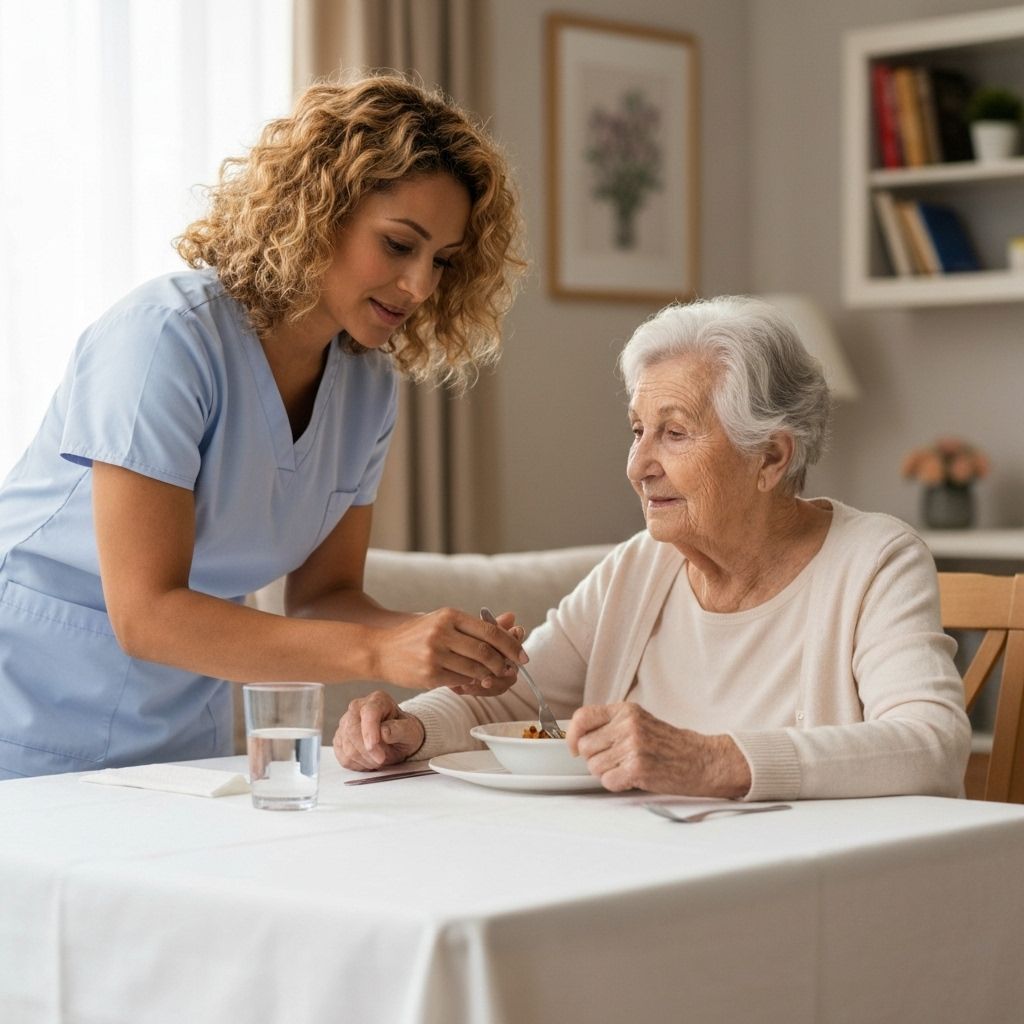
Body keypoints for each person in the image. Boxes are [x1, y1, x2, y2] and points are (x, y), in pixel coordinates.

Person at [0, 73, 530, 780]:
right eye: (400, 245)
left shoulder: (367, 385)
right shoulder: (165, 339)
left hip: (183, 724)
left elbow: (322, 599)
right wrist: (378, 654)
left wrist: (431, 639)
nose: (421, 286)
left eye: (442, 261)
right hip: (28, 702)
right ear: (319, 211)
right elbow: (146, 614)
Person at [335, 296, 971, 801]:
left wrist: (711, 760)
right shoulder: (641, 565)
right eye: (639, 431)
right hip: (642, 876)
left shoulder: (875, 560)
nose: (640, 465)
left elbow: (931, 743)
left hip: (809, 893)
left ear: (770, 457)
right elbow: (516, 697)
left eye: (674, 433)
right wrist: (408, 730)